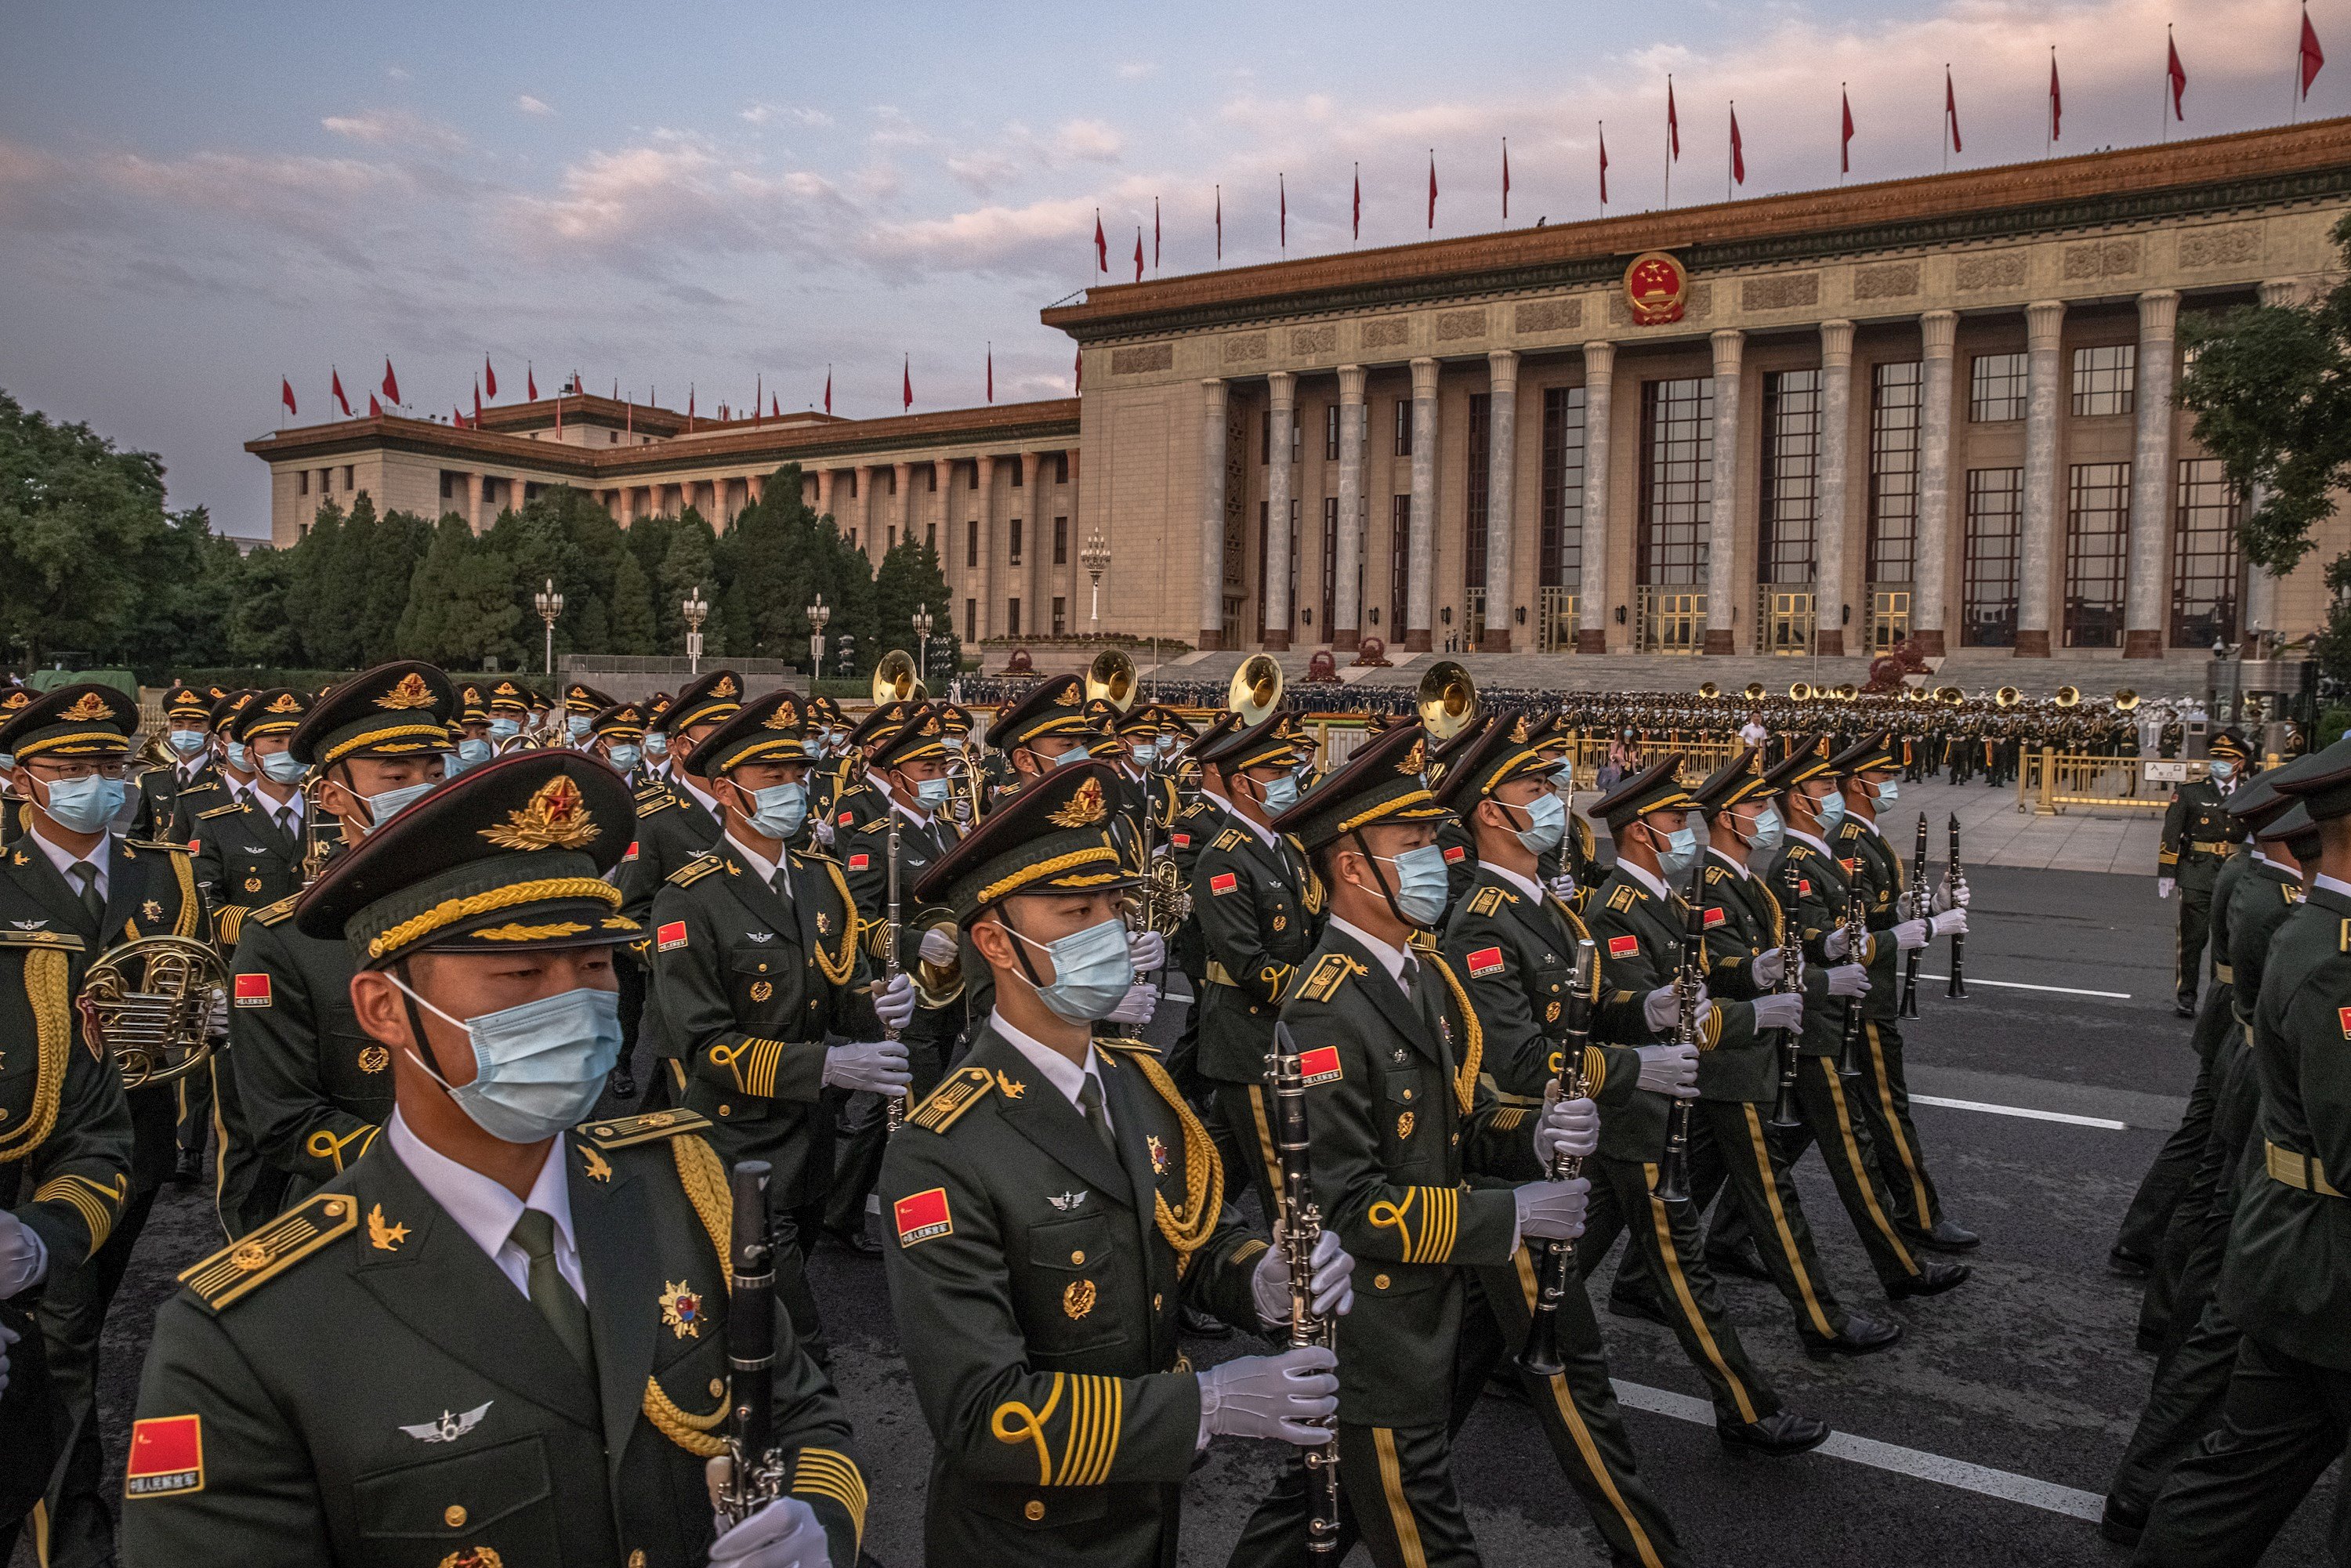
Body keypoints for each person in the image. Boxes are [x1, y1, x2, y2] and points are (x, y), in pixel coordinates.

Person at [122, 749, 867, 1568]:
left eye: (593, 968)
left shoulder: (687, 1191)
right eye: (518, 974)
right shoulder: (247, 1333)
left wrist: (815, 1530)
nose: (573, 1004)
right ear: (385, 1010)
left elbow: (804, 1419)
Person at [878, 756, 1354, 1566]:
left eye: (1111, 905)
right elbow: (982, 1414)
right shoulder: (942, 1150)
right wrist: (1205, 1403)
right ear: (994, 942)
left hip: (1144, 1510)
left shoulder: (1135, 1078)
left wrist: (1258, 1278)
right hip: (1029, 1534)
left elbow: (1187, 1235)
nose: (1109, 928)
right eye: (1075, 912)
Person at [1226, 722, 1593, 1566]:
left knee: (1315, 1520)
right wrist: (1511, 1216)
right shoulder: (1324, 1009)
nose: (1438, 855)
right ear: (1352, 867)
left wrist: (1531, 1133)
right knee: (1427, 1534)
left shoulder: (1415, 971)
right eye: (1415, 842)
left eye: (1435, 836)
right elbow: (1353, 1209)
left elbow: (1453, 1127)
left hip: (1424, 1314)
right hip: (1377, 1332)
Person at [1433, 712, 1690, 1568]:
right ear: (1489, 814)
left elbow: (1573, 1018)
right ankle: (1649, 1550)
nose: (1554, 801)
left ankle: (1353, 1494)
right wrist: (1635, 1072)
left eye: (1551, 786)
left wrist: (1639, 1012)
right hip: (1513, 1161)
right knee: (1575, 1375)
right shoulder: (1481, 919)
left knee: (1435, 1395)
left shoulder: (1544, 901)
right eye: (1535, 790)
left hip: (1546, 1157)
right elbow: (1518, 1057)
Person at [0, 682, 210, 1568]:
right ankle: (71, 1526)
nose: (95, 781)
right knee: (66, 1337)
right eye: (70, 766)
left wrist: (199, 1018)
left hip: (133, 1128)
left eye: (107, 764)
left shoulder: (167, 869)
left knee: (88, 1318)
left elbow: (183, 988)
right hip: (31, 1147)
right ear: (24, 780)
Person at [649, 687, 916, 1362]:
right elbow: (705, 1044)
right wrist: (826, 1065)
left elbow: (830, 987)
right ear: (728, 790)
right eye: (775, 778)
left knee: (758, 1309)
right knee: (801, 1337)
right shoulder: (691, 897)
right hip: (740, 1139)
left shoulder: (818, 876)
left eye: (799, 775)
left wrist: (876, 1001)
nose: (795, 790)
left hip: (810, 1132)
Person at [2133, 737, 2351, 1564]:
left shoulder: (2322, 934)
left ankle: (2136, 1509)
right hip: (2325, 1264)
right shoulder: (2336, 960)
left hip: (2301, 1258)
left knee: (2234, 1480)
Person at [1575, 755, 1830, 1458]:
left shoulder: (1659, 895)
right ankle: (1745, 1406)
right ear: (1636, 831)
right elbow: (1655, 1015)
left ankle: (1492, 1345)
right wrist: (1755, 1017)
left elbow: (1689, 983)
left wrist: (1750, 974)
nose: (1683, 828)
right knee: (1684, 1268)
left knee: (1562, 1255)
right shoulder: (1618, 908)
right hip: (1642, 1109)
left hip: (1641, 1114)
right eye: (1668, 819)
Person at [1615, 747, 1905, 1357]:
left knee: (1686, 1180)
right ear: (1730, 816)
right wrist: (1761, 977)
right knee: (1773, 1196)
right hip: (1728, 1056)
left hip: (1741, 1051)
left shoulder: (1733, 880)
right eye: (1753, 803)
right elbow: (1709, 970)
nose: (1765, 811)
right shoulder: (1706, 884)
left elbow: (1730, 961)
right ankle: (1820, 1317)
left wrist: (1775, 966)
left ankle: (1637, 1282)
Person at [234, 662, 455, 1219]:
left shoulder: (496, 909)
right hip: (363, 1204)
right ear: (333, 797)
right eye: (395, 777)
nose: (424, 792)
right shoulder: (284, 939)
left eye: (434, 773)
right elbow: (285, 1118)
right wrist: (440, 1169)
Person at [826, 701, 965, 1255]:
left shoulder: (946, 830)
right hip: (908, 996)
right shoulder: (873, 838)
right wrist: (910, 943)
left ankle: (839, 1209)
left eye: (940, 768)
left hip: (949, 992)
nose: (938, 779)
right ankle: (930, 1235)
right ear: (897, 773)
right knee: (921, 1113)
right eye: (927, 770)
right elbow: (854, 922)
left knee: (899, 1111)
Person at [1828, 732, 1975, 1251]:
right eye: (1884, 775)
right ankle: (1918, 1214)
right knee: (1888, 1109)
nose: (1892, 782)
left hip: (1871, 993)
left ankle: (1732, 1230)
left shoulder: (1868, 835)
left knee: (1804, 1120)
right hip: (1861, 1001)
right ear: (1857, 783)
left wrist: (1928, 908)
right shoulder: (1847, 840)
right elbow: (1856, 932)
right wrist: (1926, 928)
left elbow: (1881, 915)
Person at [1189, 708, 1325, 1213]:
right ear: (1244, 784)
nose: (1291, 779)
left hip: (1274, 1034)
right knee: (1282, 1184)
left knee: (1227, 1168)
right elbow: (1248, 962)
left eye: (1291, 769)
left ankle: (1188, 1243)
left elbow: (1315, 923)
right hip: (1247, 1038)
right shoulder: (1224, 856)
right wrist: (1319, 998)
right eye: (1277, 773)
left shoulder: (1285, 847)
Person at [2157, 730, 2252, 1018]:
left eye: (2227, 759)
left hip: (2234, 875)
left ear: (2240, 763)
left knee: (2225, 942)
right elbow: (2171, 831)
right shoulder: (2190, 791)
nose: (2219, 764)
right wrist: (2167, 870)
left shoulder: (2250, 791)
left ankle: (2219, 997)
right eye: (2216, 758)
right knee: (2192, 940)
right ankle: (2186, 995)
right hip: (2196, 873)